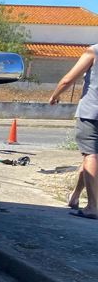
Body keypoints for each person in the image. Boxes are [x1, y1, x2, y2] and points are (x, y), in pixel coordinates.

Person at [50, 45, 98, 219]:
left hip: (92, 113)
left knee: (91, 155)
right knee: (88, 157)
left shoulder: (94, 51)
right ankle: (75, 196)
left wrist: (55, 95)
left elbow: (68, 79)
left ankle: (93, 206)